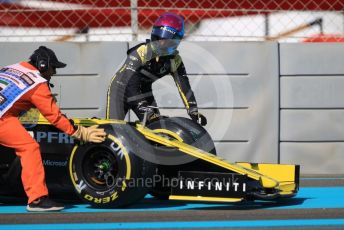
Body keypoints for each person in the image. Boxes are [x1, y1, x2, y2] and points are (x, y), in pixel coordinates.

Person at [0, 46, 106, 212]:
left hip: (5, 114)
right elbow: (54, 117)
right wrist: (80, 132)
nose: (54, 72)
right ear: (43, 65)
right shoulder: (37, 83)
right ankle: (37, 200)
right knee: (29, 147)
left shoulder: (13, 67)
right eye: (53, 67)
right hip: (2, 118)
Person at [106, 12, 207, 126]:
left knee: (157, 127)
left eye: (166, 40)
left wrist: (193, 111)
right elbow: (129, 83)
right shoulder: (141, 52)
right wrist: (144, 108)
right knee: (114, 129)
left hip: (144, 92)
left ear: (175, 41)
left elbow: (184, 87)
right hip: (120, 90)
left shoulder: (175, 60)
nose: (161, 43)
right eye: (158, 38)